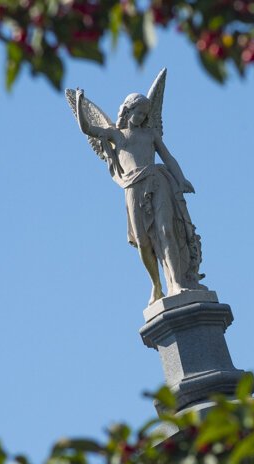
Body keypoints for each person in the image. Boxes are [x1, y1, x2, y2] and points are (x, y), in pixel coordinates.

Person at [75, 89, 206, 305]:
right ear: (128, 110)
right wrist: (80, 103)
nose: (143, 117)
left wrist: (181, 179)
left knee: (166, 230)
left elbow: (168, 157)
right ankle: (157, 285)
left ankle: (176, 284)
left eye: (146, 114)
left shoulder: (150, 134)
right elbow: (87, 128)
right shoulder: (116, 135)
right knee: (144, 241)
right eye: (140, 112)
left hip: (157, 181)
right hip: (133, 188)